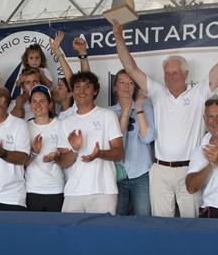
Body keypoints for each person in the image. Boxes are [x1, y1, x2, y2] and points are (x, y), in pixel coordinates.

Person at [113, 0, 218, 217]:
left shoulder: (199, 93)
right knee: (160, 227)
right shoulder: (157, 92)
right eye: (167, 72)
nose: (170, 76)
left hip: (190, 169)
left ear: (186, 74)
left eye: (176, 72)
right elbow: (129, 66)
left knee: (191, 224)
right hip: (159, 171)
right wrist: (118, 35)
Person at [57, 72, 124, 214]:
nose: (82, 91)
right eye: (77, 87)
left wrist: (100, 153)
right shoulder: (65, 123)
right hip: (73, 191)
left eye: (87, 86)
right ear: (73, 91)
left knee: (102, 236)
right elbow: (63, 162)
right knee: (70, 236)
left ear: (95, 91)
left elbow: (119, 152)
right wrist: (75, 150)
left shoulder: (107, 116)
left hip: (103, 191)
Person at [110, 69, 155, 216]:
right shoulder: (109, 112)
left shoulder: (146, 107)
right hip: (117, 174)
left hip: (141, 173)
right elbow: (114, 144)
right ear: (115, 87)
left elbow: (147, 138)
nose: (126, 86)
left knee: (144, 220)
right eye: (122, 82)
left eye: (130, 83)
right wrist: (125, 112)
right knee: (117, 221)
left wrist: (139, 108)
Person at [24, 85, 65, 212]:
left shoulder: (60, 125)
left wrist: (57, 156)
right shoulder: (24, 127)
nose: (38, 105)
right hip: (31, 189)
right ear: (30, 105)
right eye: (34, 101)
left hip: (56, 188)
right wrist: (34, 152)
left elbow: (68, 157)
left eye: (42, 101)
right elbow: (21, 163)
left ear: (50, 104)